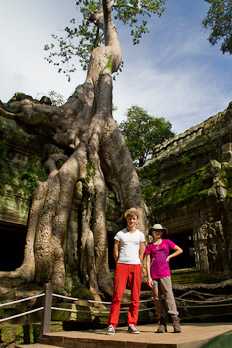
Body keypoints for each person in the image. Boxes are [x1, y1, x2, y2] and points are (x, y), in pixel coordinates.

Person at [106, 207, 146, 335]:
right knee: (117, 295)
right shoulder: (120, 234)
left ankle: (132, 324)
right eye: (129, 219)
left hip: (135, 265)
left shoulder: (140, 235)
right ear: (126, 219)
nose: (131, 221)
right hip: (122, 265)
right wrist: (119, 262)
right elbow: (115, 249)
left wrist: (139, 261)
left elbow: (142, 249)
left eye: (133, 219)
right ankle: (112, 324)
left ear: (137, 220)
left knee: (135, 296)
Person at [145, 223, 183, 333]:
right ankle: (161, 320)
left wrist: (170, 257)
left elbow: (179, 250)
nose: (157, 232)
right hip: (154, 274)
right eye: (155, 231)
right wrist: (148, 277)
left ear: (162, 232)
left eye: (160, 231)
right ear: (152, 232)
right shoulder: (150, 246)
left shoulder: (167, 242)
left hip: (165, 273)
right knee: (156, 297)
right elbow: (147, 262)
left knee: (168, 295)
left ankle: (175, 320)